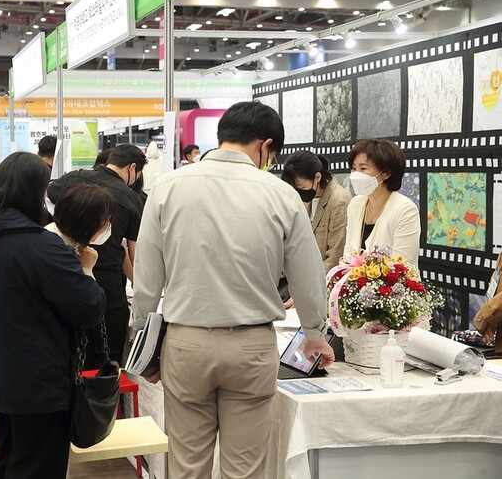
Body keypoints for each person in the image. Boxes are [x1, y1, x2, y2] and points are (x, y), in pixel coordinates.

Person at [132, 101, 334, 478]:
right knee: (245, 468)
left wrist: (146, 342)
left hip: (186, 342)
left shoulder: (167, 186)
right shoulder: (281, 194)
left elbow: (147, 277)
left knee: (186, 465)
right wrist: (314, 333)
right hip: (251, 346)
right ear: (265, 145)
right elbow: (307, 275)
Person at [0, 152, 106, 479]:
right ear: (33, 192)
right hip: (37, 381)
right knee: (36, 463)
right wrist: (88, 270)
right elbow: (89, 306)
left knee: (5, 452)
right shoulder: (42, 246)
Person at [48, 144, 146, 367]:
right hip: (108, 282)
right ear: (132, 168)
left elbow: (50, 196)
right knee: (105, 357)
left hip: (63, 268)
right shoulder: (131, 199)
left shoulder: (72, 178)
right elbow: (134, 251)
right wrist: (138, 283)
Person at [344, 139, 420, 269]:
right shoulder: (356, 204)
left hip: (393, 286)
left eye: (363, 168)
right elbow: (348, 253)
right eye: (354, 168)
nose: (356, 175)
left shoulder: (405, 209)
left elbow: (402, 267)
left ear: (386, 173)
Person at [281, 150, 351, 275]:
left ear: (317, 177)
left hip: (320, 281)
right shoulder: (301, 198)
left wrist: (307, 288)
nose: (297, 192)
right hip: (296, 276)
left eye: (301, 187)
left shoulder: (339, 201)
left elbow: (335, 257)